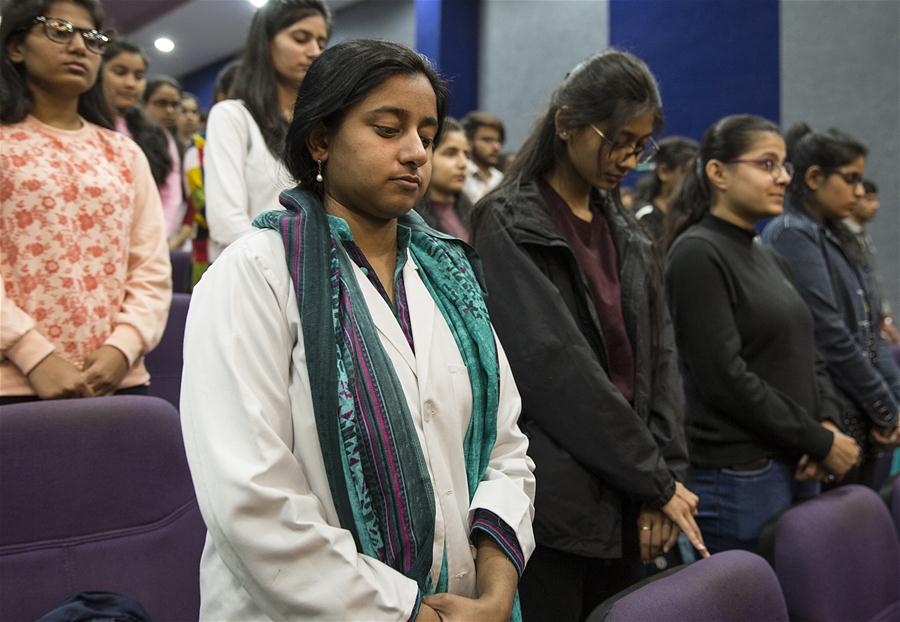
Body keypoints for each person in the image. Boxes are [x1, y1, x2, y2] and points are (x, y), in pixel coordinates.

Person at [180, 39, 536, 621]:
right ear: (321, 140)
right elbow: (251, 502)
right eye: (388, 129)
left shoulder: (448, 276)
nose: (416, 152)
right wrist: (408, 614)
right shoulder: (254, 274)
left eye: (426, 133)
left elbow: (505, 447)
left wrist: (496, 595)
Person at [470, 50, 707, 622]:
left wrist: (664, 479)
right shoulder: (505, 219)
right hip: (563, 499)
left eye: (641, 145)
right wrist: (652, 480)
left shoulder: (624, 225)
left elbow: (658, 357)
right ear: (566, 123)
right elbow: (557, 371)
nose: (629, 158)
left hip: (633, 487)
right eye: (618, 140)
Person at [664, 115, 861, 553]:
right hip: (742, 476)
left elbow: (810, 352)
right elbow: (724, 377)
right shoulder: (697, 253)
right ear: (718, 172)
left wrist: (825, 419)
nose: (783, 178)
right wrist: (817, 438)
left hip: (797, 459)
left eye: (785, 166)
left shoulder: (765, 252)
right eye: (767, 164)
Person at [0, 0, 171, 405]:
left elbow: (151, 265)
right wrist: (32, 353)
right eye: (59, 30)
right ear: (16, 48)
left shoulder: (124, 153)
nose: (79, 46)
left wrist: (123, 347)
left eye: (92, 39)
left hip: (115, 377)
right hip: (14, 381)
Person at [761, 123, 900, 487]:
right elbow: (830, 335)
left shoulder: (836, 234)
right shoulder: (793, 232)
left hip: (859, 407)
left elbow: (869, 334)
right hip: (832, 413)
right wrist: (885, 408)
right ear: (814, 177)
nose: (858, 192)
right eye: (850, 179)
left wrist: (894, 405)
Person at [204, 0, 329, 259]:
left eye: (321, 42)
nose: (314, 51)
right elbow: (226, 222)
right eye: (301, 38)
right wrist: (287, 266)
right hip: (250, 273)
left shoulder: (321, 124)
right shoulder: (232, 115)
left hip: (316, 273)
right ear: (267, 43)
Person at [101, 39, 184, 242]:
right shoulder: (81, 126)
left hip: (148, 245)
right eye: (120, 72)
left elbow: (171, 196)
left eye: (139, 76)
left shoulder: (158, 136)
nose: (130, 83)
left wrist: (151, 242)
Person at [843, 179, 900, 345]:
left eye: (876, 200)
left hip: (875, 327)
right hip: (862, 332)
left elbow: (873, 280)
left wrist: (885, 317)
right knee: (882, 367)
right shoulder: (843, 238)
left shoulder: (863, 236)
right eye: (869, 200)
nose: (875, 206)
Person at [414, 117, 474, 241]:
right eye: (450, 153)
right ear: (427, 155)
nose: (463, 164)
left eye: (467, 155)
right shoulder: (409, 219)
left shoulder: (472, 211)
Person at [633, 136, 698, 243]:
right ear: (664, 172)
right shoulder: (644, 217)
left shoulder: (691, 215)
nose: (693, 180)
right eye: (686, 172)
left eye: (695, 173)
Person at [461, 111, 505, 204]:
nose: (496, 147)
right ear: (469, 141)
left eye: (499, 141)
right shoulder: (460, 173)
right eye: (487, 140)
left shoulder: (502, 179)